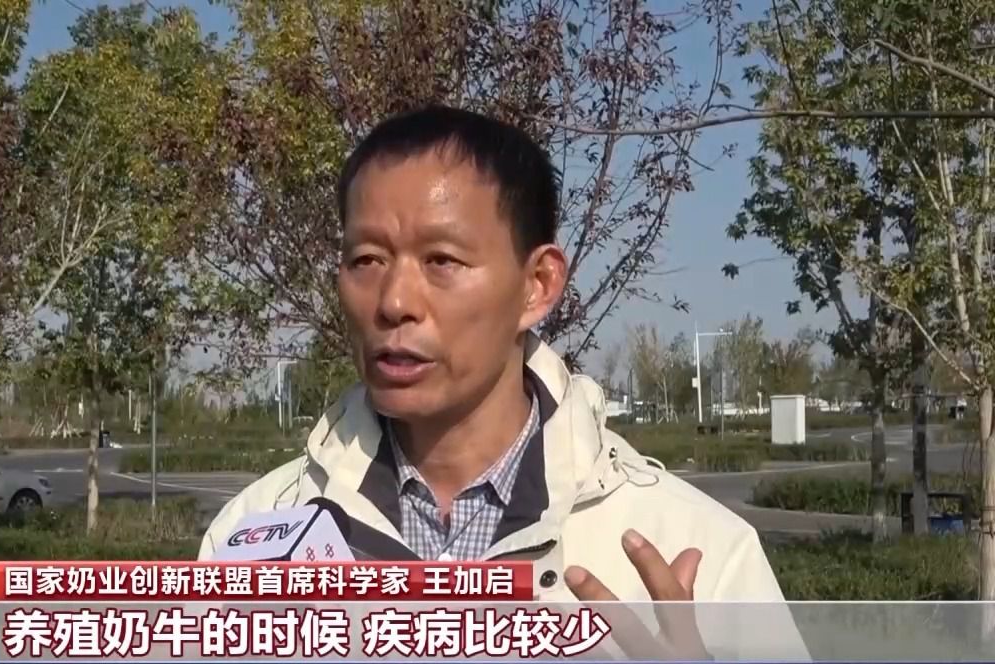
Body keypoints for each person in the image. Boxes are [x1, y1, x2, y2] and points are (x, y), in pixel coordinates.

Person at [200, 105, 809, 660]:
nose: (394, 302)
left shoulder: (695, 551)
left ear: (536, 286)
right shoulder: (253, 534)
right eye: (366, 260)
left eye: (442, 261)